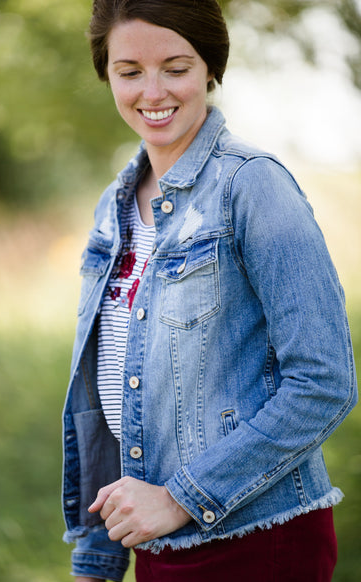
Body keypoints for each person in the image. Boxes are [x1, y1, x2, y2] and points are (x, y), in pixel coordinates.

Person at [61, 1, 358, 580]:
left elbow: (324, 382)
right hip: (155, 540)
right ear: (107, 75)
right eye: (130, 71)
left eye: (176, 67)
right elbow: (111, 393)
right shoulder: (112, 208)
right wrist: (99, 554)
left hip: (254, 539)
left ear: (209, 69)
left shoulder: (253, 187)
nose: (153, 91)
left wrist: (177, 498)